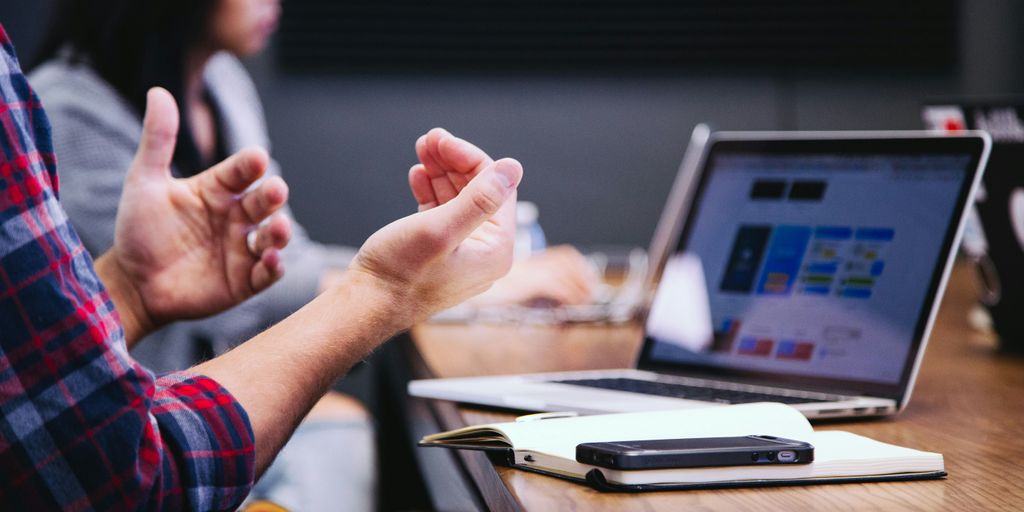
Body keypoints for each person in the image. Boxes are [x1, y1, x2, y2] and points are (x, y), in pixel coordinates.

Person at [1, 20, 523, 509]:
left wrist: (132, 290)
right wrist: (390, 288)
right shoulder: (68, 108)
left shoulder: (223, 81)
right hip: (167, 438)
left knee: (344, 440)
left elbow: (285, 260)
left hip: (191, 417)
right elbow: (116, 475)